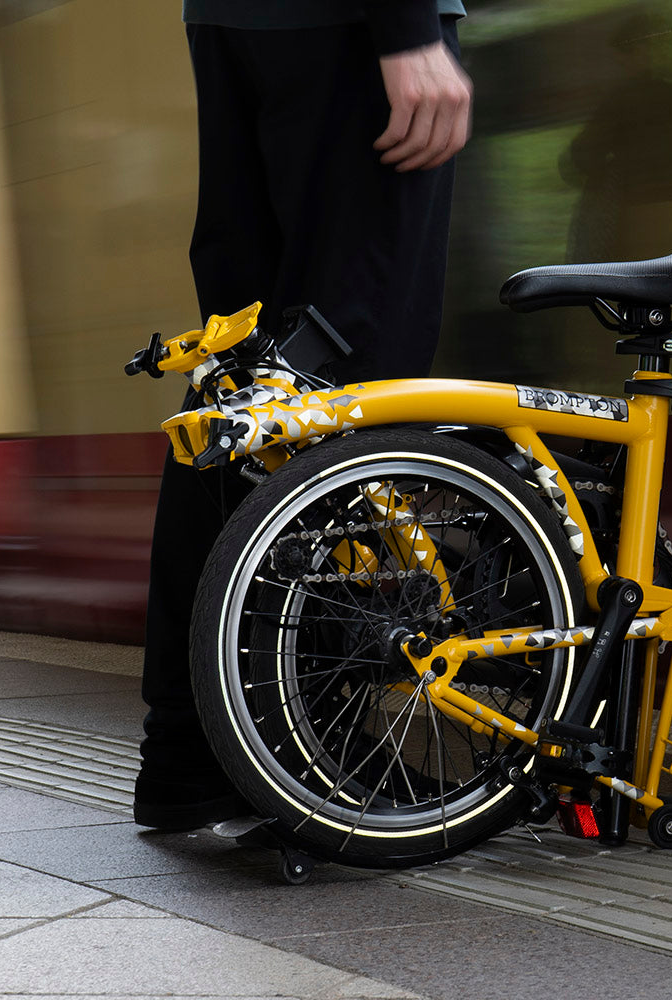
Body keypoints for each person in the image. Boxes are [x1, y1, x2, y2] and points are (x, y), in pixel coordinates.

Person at [134, 0, 472, 831]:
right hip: (347, 26)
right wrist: (408, 28)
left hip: (235, 23)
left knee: (246, 383)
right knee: (346, 379)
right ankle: (294, 752)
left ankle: (195, 751)